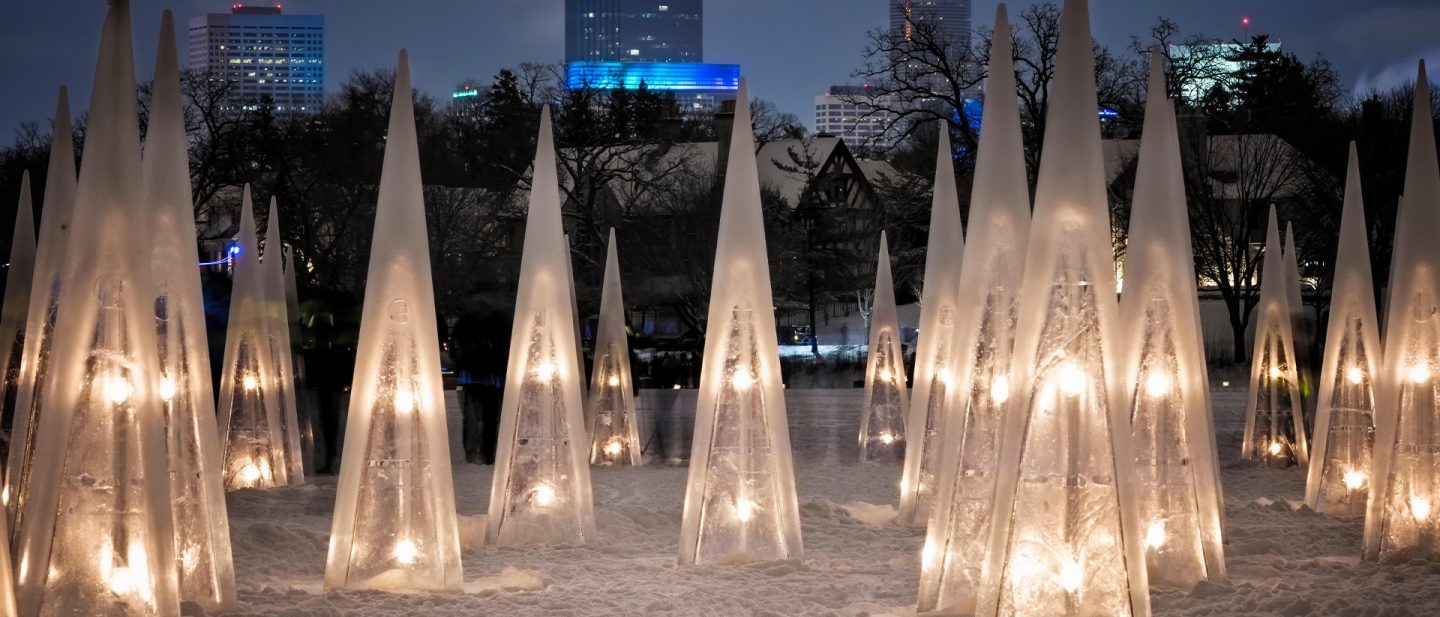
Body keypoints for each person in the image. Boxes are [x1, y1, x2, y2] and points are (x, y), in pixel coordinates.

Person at [450, 306, 511, 464]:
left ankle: (472, 452)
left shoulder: (465, 325)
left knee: (471, 416)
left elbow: (455, 353)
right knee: (490, 417)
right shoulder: (500, 324)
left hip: (471, 378)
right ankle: (488, 453)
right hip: (492, 379)